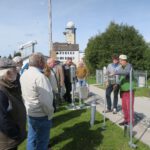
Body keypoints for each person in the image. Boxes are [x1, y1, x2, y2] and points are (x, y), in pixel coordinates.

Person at [20, 53, 54, 150]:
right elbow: (46, 100)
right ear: (40, 62)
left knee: (31, 138)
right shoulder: (40, 77)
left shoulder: (24, 74)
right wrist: (50, 113)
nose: (45, 63)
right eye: (44, 61)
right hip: (41, 114)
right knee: (42, 141)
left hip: (30, 112)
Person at [0, 58, 26, 150]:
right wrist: (15, 134)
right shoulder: (1, 90)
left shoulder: (8, 85)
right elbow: (2, 119)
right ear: (7, 73)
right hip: (7, 140)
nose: (17, 73)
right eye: (14, 70)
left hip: (10, 139)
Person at [114, 54, 136, 125]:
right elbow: (121, 78)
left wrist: (115, 72)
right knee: (124, 107)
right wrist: (117, 84)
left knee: (129, 107)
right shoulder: (121, 68)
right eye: (119, 60)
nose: (119, 62)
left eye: (120, 60)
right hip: (123, 91)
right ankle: (126, 120)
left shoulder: (129, 66)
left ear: (124, 60)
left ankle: (131, 121)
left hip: (129, 90)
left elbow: (126, 72)